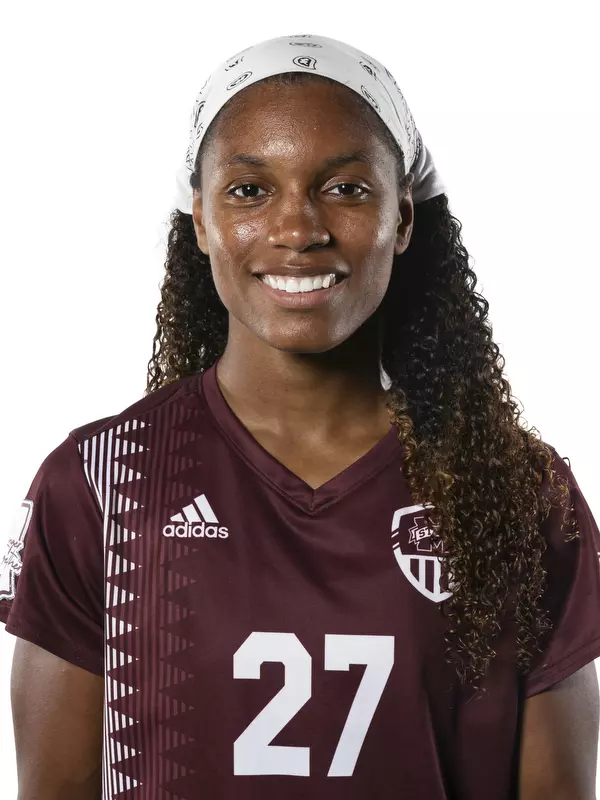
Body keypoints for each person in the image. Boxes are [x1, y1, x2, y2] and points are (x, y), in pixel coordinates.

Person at [1, 32, 599, 800]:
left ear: (405, 217)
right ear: (201, 221)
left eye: (345, 188)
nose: (297, 229)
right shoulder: (102, 484)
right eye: (250, 190)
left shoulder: (515, 490)